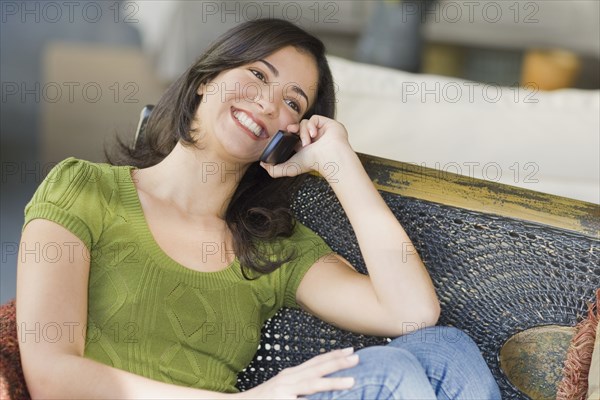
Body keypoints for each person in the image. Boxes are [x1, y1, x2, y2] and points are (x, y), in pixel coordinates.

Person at [16, 18, 501, 399]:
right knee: (390, 373)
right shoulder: (83, 187)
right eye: (256, 74)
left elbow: (413, 312)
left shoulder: (270, 247)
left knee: (447, 350)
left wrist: (340, 166)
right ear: (206, 79)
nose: (268, 102)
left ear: (290, 136)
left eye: (293, 102)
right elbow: (53, 376)